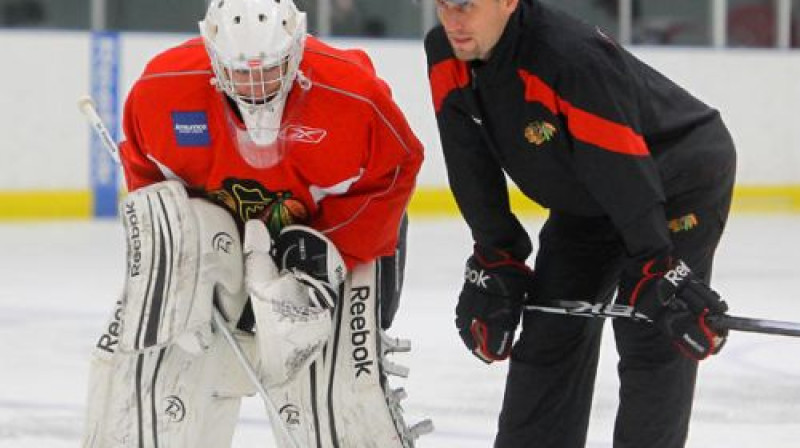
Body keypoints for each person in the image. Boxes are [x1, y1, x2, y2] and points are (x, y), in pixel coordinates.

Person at [82, 0, 426, 447]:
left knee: (334, 395)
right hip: (219, 238)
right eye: (241, 70)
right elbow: (147, 180)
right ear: (212, 54)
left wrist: (332, 252)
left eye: (272, 67)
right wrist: (176, 262)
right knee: (156, 365)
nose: (257, 84)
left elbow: (398, 167)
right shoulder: (163, 88)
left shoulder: (352, 94)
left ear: (298, 47)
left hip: (323, 238)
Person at [424, 1, 736, 447]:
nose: (453, 20)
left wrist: (655, 263)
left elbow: (622, 166)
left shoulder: (567, 57)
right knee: (551, 332)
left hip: (677, 177)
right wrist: (497, 254)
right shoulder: (446, 53)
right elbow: (468, 161)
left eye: (467, 5)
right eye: (443, 4)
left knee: (650, 330)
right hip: (589, 194)